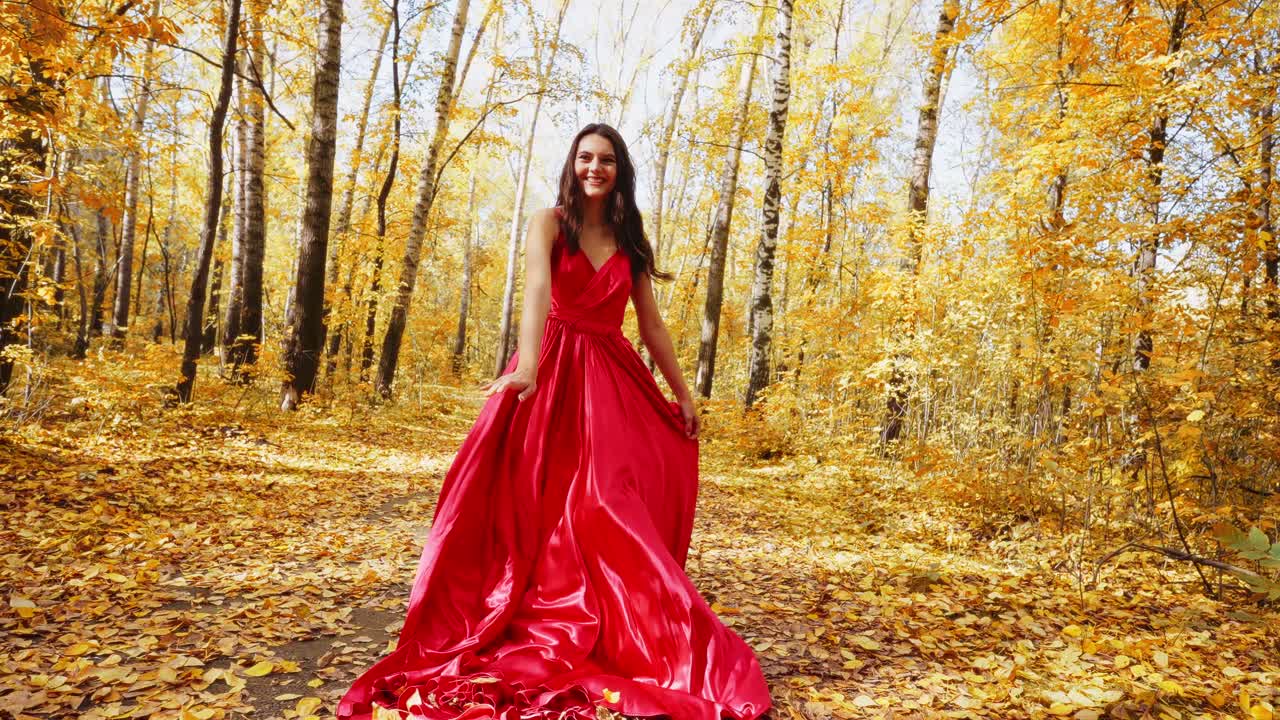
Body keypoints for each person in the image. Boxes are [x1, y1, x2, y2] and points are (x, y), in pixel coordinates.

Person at [337, 123, 772, 720]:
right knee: (530, 495)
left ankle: (621, 615)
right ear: (572, 163)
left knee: (606, 501)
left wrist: (683, 392)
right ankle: (525, 601)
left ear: (620, 172)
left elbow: (651, 325)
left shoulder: (631, 239)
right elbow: (537, 291)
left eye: (607, 161)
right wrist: (529, 367)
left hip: (611, 379)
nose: (595, 167)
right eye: (586, 158)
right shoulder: (549, 222)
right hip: (552, 365)